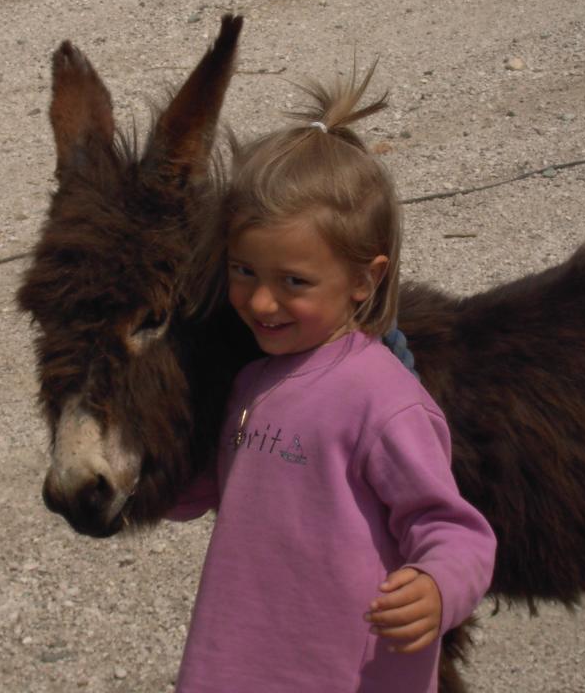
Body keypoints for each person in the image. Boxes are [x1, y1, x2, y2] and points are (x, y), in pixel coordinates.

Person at [169, 65, 496, 692]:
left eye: (293, 282)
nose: (261, 303)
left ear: (363, 280)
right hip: (239, 662)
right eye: (243, 271)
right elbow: (215, 484)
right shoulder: (251, 382)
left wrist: (437, 586)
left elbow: (454, 530)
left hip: (349, 672)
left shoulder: (385, 402)